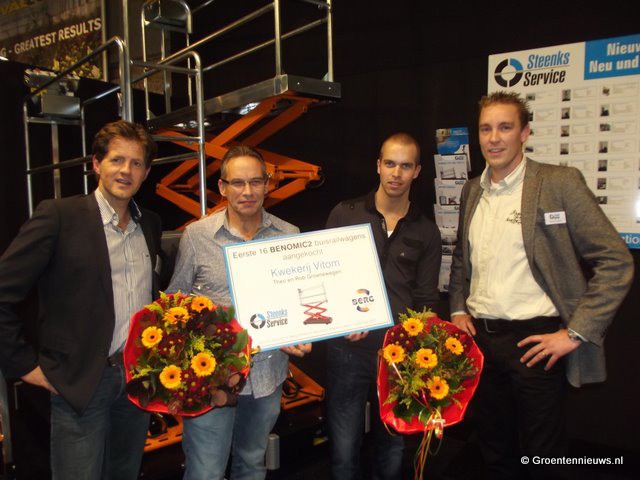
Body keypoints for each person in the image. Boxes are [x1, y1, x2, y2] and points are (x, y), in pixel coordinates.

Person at [448, 91, 634, 479]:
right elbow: (463, 259)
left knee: (544, 457)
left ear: (525, 133)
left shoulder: (558, 183)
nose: (494, 138)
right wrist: (459, 307)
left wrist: (576, 332)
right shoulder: (472, 190)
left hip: (535, 344)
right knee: (493, 450)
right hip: (482, 344)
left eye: (505, 127)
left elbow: (616, 261)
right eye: (485, 128)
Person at [0, 120, 162, 479]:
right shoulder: (59, 217)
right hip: (81, 383)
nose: (126, 170)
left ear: (146, 172)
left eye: (136, 163)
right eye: (117, 160)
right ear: (96, 164)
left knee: (125, 472)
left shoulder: (149, 224)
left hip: (138, 379)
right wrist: (23, 365)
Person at [167, 145, 312, 480]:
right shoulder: (197, 236)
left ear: (268, 184)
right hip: (210, 380)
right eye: (237, 183)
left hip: (267, 377)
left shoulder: (289, 235)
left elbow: (300, 299)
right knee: (206, 471)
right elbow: (175, 302)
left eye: (256, 182)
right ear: (222, 187)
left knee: (251, 464)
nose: (247, 191)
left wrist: (303, 333)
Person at [325, 133, 442, 480]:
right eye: (390, 163)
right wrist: (343, 320)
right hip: (347, 351)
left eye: (405, 166)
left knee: (392, 448)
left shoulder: (426, 231)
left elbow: (426, 301)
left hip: (399, 358)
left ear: (417, 171)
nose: (396, 173)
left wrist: (423, 355)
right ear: (378, 166)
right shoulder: (344, 214)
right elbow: (324, 280)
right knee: (343, 450)